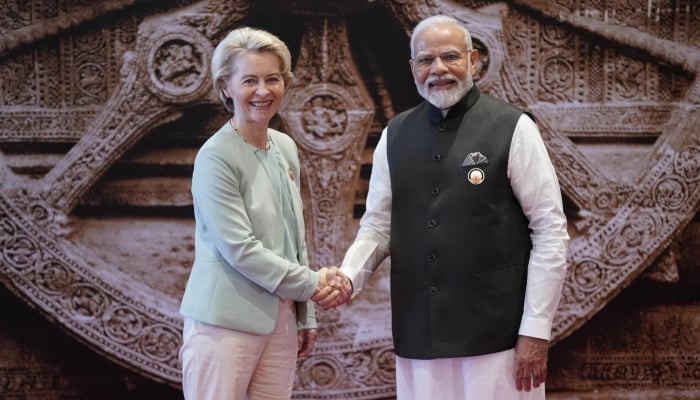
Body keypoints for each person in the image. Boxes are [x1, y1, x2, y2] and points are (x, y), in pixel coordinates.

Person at [329, 15, 569, 399]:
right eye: (426, 60)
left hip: (498, 339)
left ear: (474, 61)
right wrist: (348, 277)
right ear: (412, 69)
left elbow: (550, 232)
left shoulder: (513, 128)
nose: (438, 69)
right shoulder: (395, 135)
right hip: (418, 337)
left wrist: (535, 330)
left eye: (451, 57)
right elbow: (377, 227)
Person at [178, 27, 347, 400]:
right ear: (225, 87)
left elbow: (293, 241)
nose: (262, 91)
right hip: (224, 325)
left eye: (273, 79)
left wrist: (305, 315)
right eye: (249, 80)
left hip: (282, 323)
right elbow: (240, 248)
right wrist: (313, 285)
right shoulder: (215, 156)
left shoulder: (284, 147)